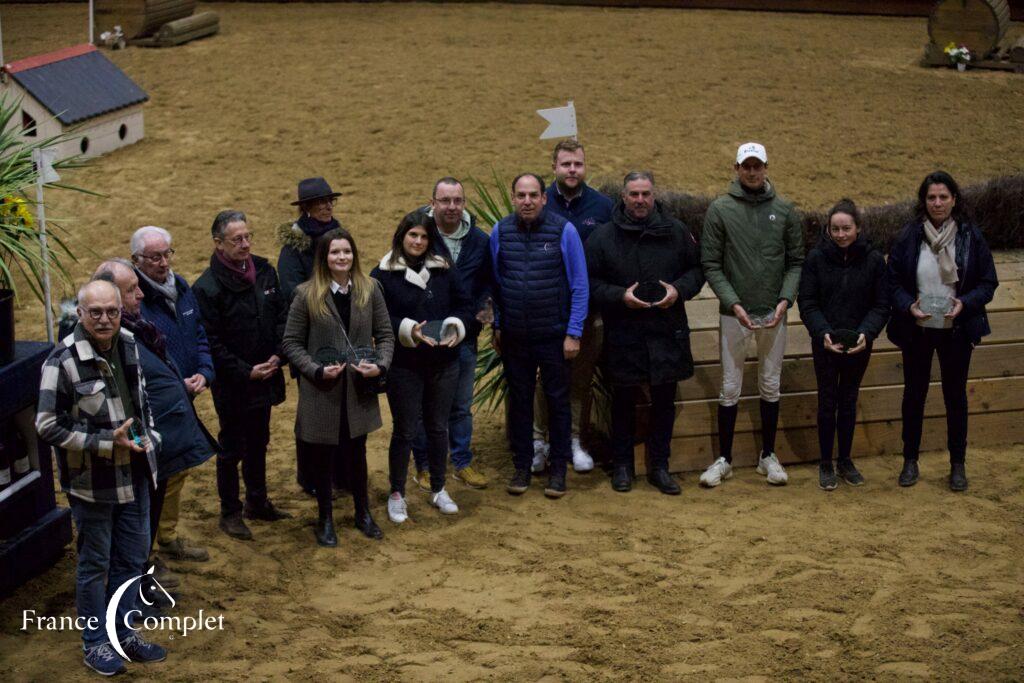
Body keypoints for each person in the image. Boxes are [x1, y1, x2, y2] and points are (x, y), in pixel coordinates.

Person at [36, 279, 167, 676]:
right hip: (92, 484)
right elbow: (45, 425)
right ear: (80, 314)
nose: (105, 319)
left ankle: (123, 634)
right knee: (95, 564)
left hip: (138, 474)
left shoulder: (128, 342)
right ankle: (95, 643)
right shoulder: (61, 361)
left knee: (131, 560)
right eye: (95, 313)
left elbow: (141, 402)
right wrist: (104, 442)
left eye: (112, 311)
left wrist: (150, 437)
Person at [89, 260, 217, 609]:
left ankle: (140, 582)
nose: (141, 294)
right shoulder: (102, 342)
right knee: (125, 535)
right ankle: (128, 598)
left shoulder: (136, 329)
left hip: (154, 445)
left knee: (144, 522)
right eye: (132, 290)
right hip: (123, 456)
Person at [585, 171, 704, 494]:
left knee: (664, 399)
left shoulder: (677, 232)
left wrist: (678, 291)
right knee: (622, 400)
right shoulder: (603, 238)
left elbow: (697, 271)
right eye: (634, 194)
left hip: (667, 330)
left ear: (654, 196)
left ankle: (659, 467)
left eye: (645, 194)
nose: (640, 200)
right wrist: (619, 296)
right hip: (624, 331)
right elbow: (590, 283)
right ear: (623, 197)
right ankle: (622, 466)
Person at [700, 142, 804, 487]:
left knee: (770, 384)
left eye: (758, 166)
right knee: (730, 388)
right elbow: (711, 264)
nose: (753, 171)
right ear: (736, 168)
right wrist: (734, 303)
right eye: (747, 166)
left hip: (774, 314)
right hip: (734, 316)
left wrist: (785, 301)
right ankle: (725, 459)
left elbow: (795, 262)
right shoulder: (720, 210)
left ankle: (768, 456)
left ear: (766, 167)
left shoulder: (786, 211)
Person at [281, 227, 394, 545]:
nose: (341, 257)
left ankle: (363, 513)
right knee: (324, 458)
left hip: (358, 391)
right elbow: (291, 342)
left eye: (346, 251)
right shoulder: (306, 294)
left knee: (357, 454)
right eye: (335, 252)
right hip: (322, 392)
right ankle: (325, 520)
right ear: (324, 258)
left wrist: (380, 365)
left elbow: (385, 334)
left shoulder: (370, 289)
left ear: (353, 255)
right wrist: (315, 371)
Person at [886, 171, 998, 491]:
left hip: (956, 329)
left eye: (943, 197)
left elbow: (988, 283)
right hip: (918, 328)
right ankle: (910, 460)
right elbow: (892, 282)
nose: (937, 203)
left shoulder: (970, 236)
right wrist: (909, 305)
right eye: (931, 197)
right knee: (914, 395)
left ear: (954, 200)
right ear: (924, 201)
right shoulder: (909, 236)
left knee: (955, 398)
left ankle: (957, 465)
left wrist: (965, 302)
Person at [193, 210, 292, 541]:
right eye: (237, 239)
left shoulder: (264, 271)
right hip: (234, 383)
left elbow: (281, 316)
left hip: (267, 372)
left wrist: (279, 353)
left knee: (260, 440)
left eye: (248, 237)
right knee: (232, 446)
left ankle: (257, 500)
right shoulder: (206, 288)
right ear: (218, 244)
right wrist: (245, 370)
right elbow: (211, 343)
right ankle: (230, 512)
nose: (246, 244)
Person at [489, 173, 589, 498]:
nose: (528, 201)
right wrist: (498, 325)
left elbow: (579, 284)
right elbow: (495, 284)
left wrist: (573, 332)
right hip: (515, 336)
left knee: (557, 401)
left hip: (554, 335)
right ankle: (522, 466)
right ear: (514, 198)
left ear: (544, 198)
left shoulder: (564, 230)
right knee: (519, 402)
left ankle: (558, 470)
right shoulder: (500, 231)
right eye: (521, 195)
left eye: (534, 195)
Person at [371, 215, 473, 523]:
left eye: (424, 237)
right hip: (404, 366)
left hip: (444, 363)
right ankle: (397, 494)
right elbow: (376, 319)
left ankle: (439, 488)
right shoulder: (382, 274)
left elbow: (465, 306)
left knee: (438, 427)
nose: (418, 242)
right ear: (401, 236)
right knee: (405, 430)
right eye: (412, 235)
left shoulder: (443, 269)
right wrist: (407, 329)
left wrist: (457, 325)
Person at [130, 225, 214, 563]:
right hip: (156, 403)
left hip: (185, 393)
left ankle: (166, 536)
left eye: (167, 254)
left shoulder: (180, 287)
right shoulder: (135, 302)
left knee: (178, 468)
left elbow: (199, 334)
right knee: (157, 475)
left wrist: (205, 372)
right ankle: (145, 551)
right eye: (154, 257)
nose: (163, 263)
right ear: (136, 261)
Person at [533, 139, 614, 473]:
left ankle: (574, 441)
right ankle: (539, 441)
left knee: (580, 381)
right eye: (566, 164)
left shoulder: (603, 207)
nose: (572, 170)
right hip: (545, 311)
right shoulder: (538, 202)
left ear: (585, 166)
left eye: (577, 164)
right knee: (544, 380)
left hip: (589, 311)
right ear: (554, 166)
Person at [407, 177, 492, 490]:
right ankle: (425, 466)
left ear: (464, 203)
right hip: (426, 334)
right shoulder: (418, 235)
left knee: (460, 405)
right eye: (445, 201)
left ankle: (461, 462)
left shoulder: (480, 241)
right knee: (423, 407)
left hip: (464, 334)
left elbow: (486, 283)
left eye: (457, 200)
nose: (452, 207)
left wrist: (480, 315)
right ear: (433, 203)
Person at [798, 200, 889, 491]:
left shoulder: (874, 260)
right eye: (835, 229)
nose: (840, 234)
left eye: (846, 228)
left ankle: (845, 460)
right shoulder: (815, 259)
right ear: (828, 229)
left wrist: (867, 333)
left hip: (859, 343)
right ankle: (826, 462)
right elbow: (808, 302)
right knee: (827, 402)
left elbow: (881, 303)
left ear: (858, 228)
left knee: (849, 401)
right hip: (825, 343)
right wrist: (822, 332)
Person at [277, 178, 344, 498]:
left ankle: (338, 473)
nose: (327, 206)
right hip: (310, 340)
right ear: (306, 208)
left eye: (329, 200)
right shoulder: (295, 245)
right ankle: (311, 476)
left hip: (340, 336)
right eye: (320, 202)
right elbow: (292, 292)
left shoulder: (337, 233)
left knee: (343, 408)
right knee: (313, 413)